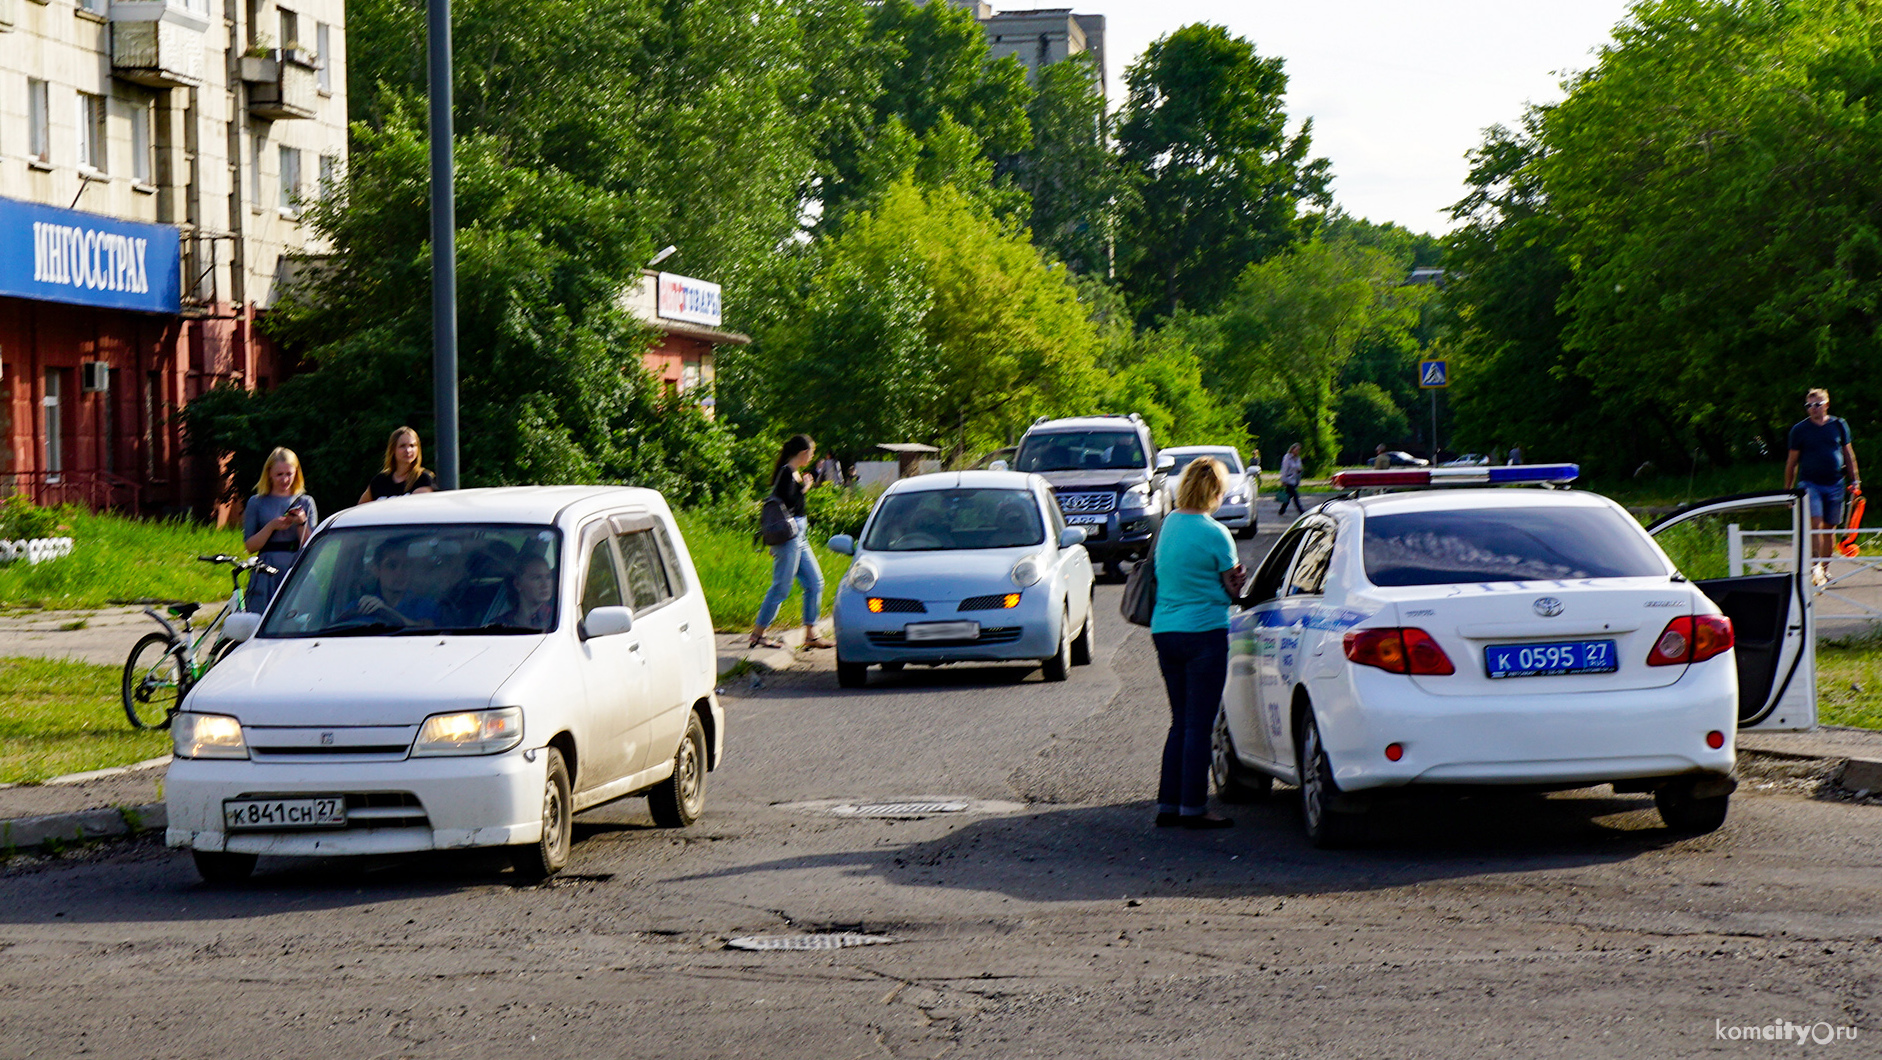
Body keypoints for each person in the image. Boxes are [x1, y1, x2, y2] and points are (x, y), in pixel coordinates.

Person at [1150, 456, 1247, 829]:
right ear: (1216, 492)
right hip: (1204, 631)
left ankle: (1168, 804)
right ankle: (1194, 807)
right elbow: (1231, 586)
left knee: (1179, 722)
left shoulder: (1168, 525)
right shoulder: (1216, 534)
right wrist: (1236, 584)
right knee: (1199, 724)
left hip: (1165, 630)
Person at [750, 434, 833, 650]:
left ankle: (811, 634)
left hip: (799, 536)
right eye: (812, 453)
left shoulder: (793, 472)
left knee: (815, 583)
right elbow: (790, 502)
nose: (812, 456)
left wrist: (806, 482)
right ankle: (759, 633)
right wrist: (805, 488)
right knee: (781, 587)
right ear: (804, 453)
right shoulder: (787, 472)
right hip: (790, 536)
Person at [1785, 388, 1861, 586]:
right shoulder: (1800, 430)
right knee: (1815, 525)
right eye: (1809, 405)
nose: (1813, 409)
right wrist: (1788, 490)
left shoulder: (1838, 425)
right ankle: (1815, 568)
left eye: (1817, 404)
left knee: (1829, 529)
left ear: (1826, 404)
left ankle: (1824, 571)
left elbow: (1848, 454)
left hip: (1835, 483)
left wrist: (1855, 480)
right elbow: (1792, 462)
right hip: (1810, 484)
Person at [241, 448, 317, 612]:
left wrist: (301, 523)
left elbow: (311, 546)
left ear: (296, 473)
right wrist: (271, 526)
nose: (285, 479)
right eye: (279, 474)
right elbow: (250, 546)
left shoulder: (306, 502)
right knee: (260, 616)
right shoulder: (257, 502)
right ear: (269, 474)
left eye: (289, 474)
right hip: (266, 567)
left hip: (295, 566)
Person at [355, 537, 448, 627]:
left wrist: (387, 612)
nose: (400, 572)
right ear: (376, 570)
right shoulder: (361, 606)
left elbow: (428, 631)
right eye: (392, 566)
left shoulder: (425, 605)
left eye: (406, 565)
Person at [358, 426, 438, 504]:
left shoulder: (424, 479)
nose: (408, 450)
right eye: (402, 446)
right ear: (393, 450)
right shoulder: (379, 481)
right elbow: (360, 509)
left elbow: (416, 509)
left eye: (412, 445)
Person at [500, 554, 557, 630]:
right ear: (518, 584)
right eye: (537, 578)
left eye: (548, 577)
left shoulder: (558, 618)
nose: (545, 584)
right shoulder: (500, 624)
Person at [1276, 443, 1306, 515]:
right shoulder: (1287, 457)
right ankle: (1301, 511)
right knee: (1295, 496)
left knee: (1288, 497)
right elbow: (1284, 469)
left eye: (1299, 450)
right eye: (1296, 449)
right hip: (1288, 480)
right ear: (1292, 449)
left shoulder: (1298, 458)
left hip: (1295, 480)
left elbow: (1300, 467)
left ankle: (1281, 511)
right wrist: (1283, 480)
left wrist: (1300, 470)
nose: (1298, 451)